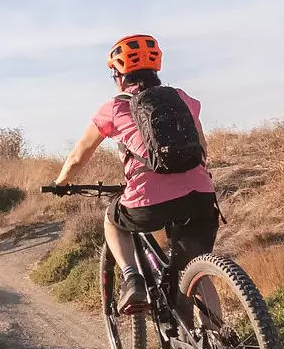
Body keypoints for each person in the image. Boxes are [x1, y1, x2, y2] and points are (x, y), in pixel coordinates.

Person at [52, 33, 219, 313]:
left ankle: (132, 280)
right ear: (156, 70)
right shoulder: (181, 98)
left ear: (119, 75)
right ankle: (220, 342)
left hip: (148, 201)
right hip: (201, 197)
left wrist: (61, 183)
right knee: (196, 267)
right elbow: (202, 148)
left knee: (112, 218)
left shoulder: (114, 107)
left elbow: (79, 155)